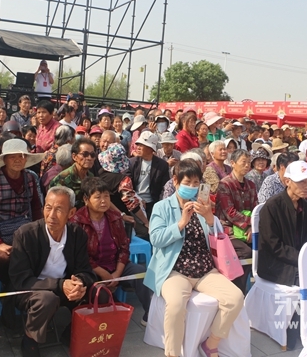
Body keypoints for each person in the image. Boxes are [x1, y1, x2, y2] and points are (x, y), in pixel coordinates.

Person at [146, 159, 244, 357]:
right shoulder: (162, 207)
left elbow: (217, 237)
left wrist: (209, 218)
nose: (192, 187)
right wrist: (181, 223)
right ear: (175, 181)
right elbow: (156, 239)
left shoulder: (202, 205)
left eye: (196, 182)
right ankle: (173, 354)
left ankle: (211, 343)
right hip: (175, 270)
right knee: (175, 305)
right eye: (187, 182)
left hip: (205, 269)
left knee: (235, 298)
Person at [9, 186, 106, 356]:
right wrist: (60, 285)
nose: (52, 215)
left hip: (66, 288)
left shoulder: (77, 234)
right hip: (33, 291)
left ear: (71, 213)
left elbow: (85, 270)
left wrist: (79, 282)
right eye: (48, 207)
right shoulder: (25, 235)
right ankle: (29, 339)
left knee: (100, 294)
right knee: (47, 299)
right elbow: (21, 280)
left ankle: (72, 333)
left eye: (59, 210)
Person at [73, 177, 152, 324]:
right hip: (92, 270)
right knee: (100, 293)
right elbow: (80, 255)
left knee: (142, 274)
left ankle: (150, 315)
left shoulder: (115, 217)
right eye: (98, 197)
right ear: (86, 199)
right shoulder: (77, 221)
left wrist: (116, 273)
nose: (103, 201)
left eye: (106, 196)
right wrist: (105, 274)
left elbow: (124, 247)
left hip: (115, 265)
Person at [258, 161, 307, 350]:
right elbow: (273, 245)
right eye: (301, 182)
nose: (306, 186)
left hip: (297, 260)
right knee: (304, 280)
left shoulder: (305, 207)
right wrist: (301, 259)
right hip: (274, 263)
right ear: (288, 181)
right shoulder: (272, 206)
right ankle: (292, 331)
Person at [0, 138, 44, 286]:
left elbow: (36, 209)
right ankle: (11, 290)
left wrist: (38, 236)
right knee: (1, 259)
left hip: (24, 234)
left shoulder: (30, 178)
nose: (18, 160)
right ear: (4, 160)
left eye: (21, 156)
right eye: (12, 157)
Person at [215, 149, 257, 293]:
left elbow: (256, 209)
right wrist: (248, 225)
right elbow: (230, 212)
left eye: (249, 162)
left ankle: (257, 290)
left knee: (265, 247)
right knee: (246, 252)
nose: (247, 165)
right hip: (228, 231)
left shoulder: (251, 185)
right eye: (243, 162)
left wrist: (252, 228)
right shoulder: (225, 185)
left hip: (248, 230)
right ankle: (238, 290)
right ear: (232, 163)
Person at [98, 142, 149, 234]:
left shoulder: (100, 172)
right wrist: (146, 222)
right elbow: (132, 205)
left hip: (103, 213)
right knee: (144, 232)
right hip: (120, 216)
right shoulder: (124, 181)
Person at [129, 131, 170, 222]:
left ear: (151, 148)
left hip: (153, 204)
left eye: (142, 145)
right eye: (138, 144)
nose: (138, 147)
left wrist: (160, 205)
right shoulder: (132, 163)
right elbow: (128, 186)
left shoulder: (162, 165)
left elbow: (165, 188)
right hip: (134, 203)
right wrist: (138, 199)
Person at [50, 138, 97, 208]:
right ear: (74, 157)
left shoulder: (91, 176)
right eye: (85, 154)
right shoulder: (62, 179)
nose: (89, 158)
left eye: (92, 155)